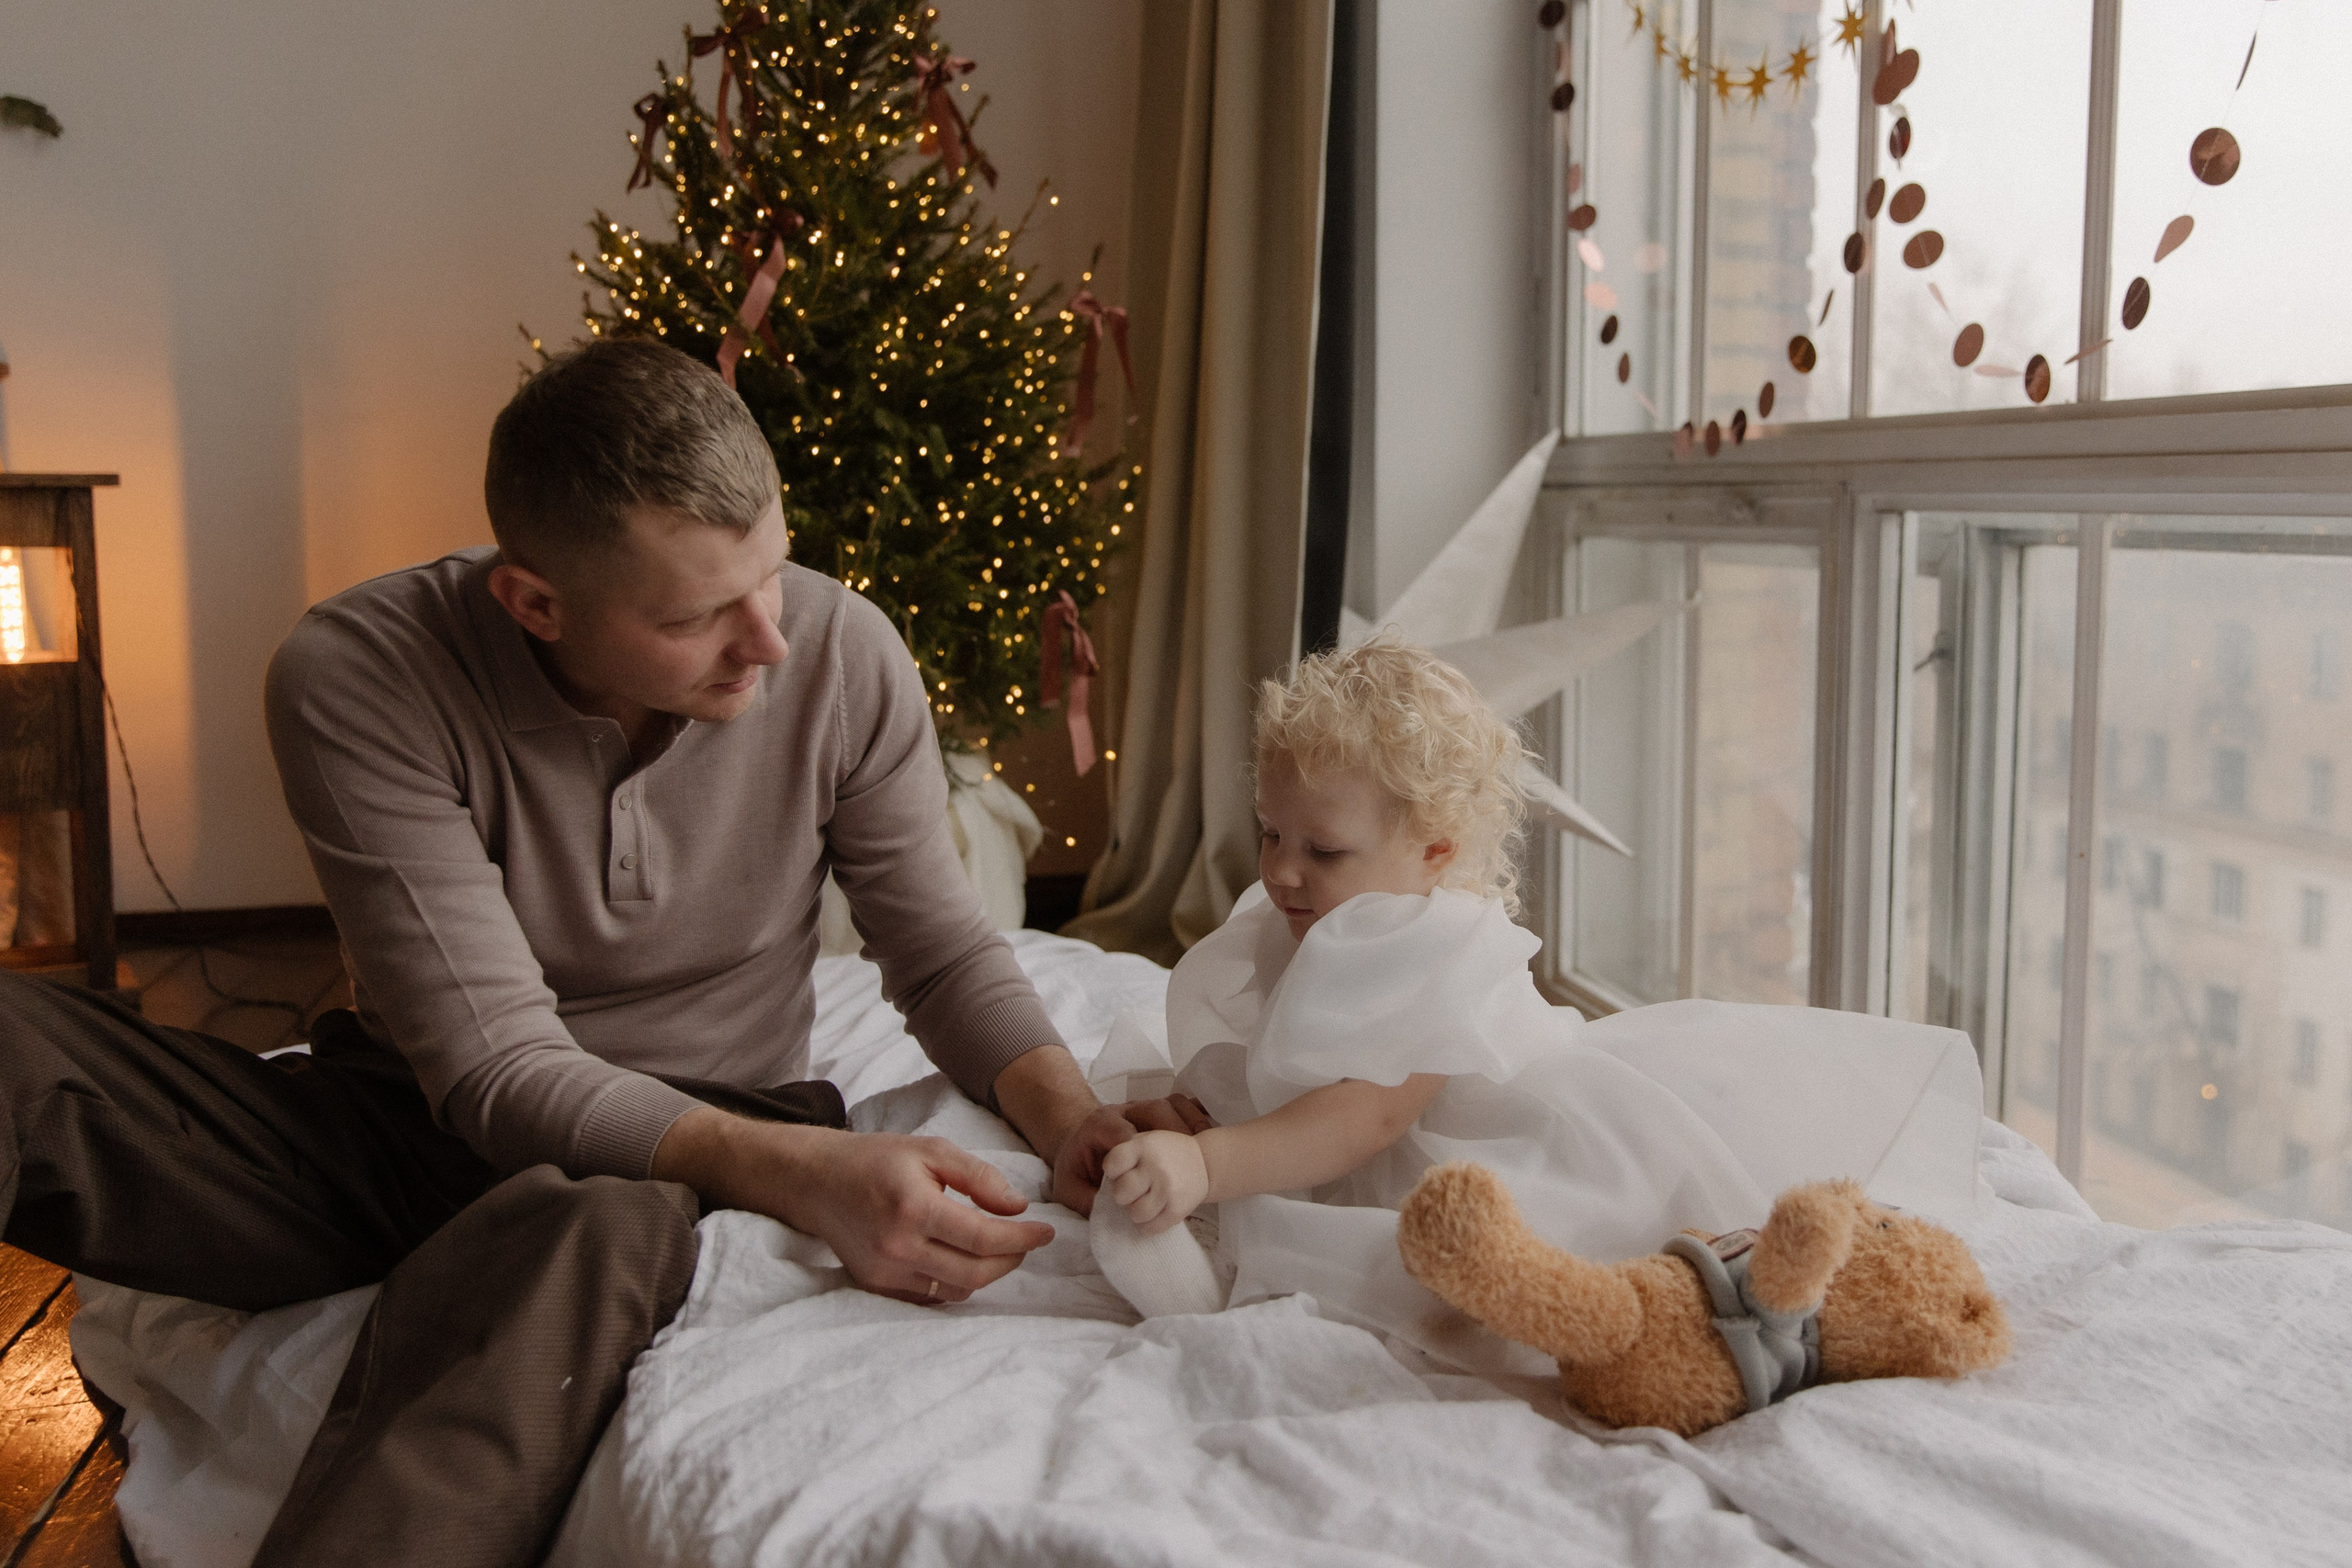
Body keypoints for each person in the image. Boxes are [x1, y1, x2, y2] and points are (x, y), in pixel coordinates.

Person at [0, 337, 1148, 1567]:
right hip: (414, 1118)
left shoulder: (841, 650)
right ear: (536, 603)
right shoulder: (359, 673)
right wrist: (812, 1171)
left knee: (582, 1229)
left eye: (773, 568)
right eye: (697, 614)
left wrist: (1070, 1111)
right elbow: (492, 1067)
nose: (768, 638)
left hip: (677, 1151)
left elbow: (935, 946)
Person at [1095, 637, 1777, 1367]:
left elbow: (1366, 1115)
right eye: (1270, 833)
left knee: (1512, 1261)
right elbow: (1294, 1052)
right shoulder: (1314, 913)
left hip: (1477, 1153)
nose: (1283, 870)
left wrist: (1209, 1162)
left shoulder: (1437, 947)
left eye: (1323, 850)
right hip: (1344, 1136)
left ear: (1436, 851)